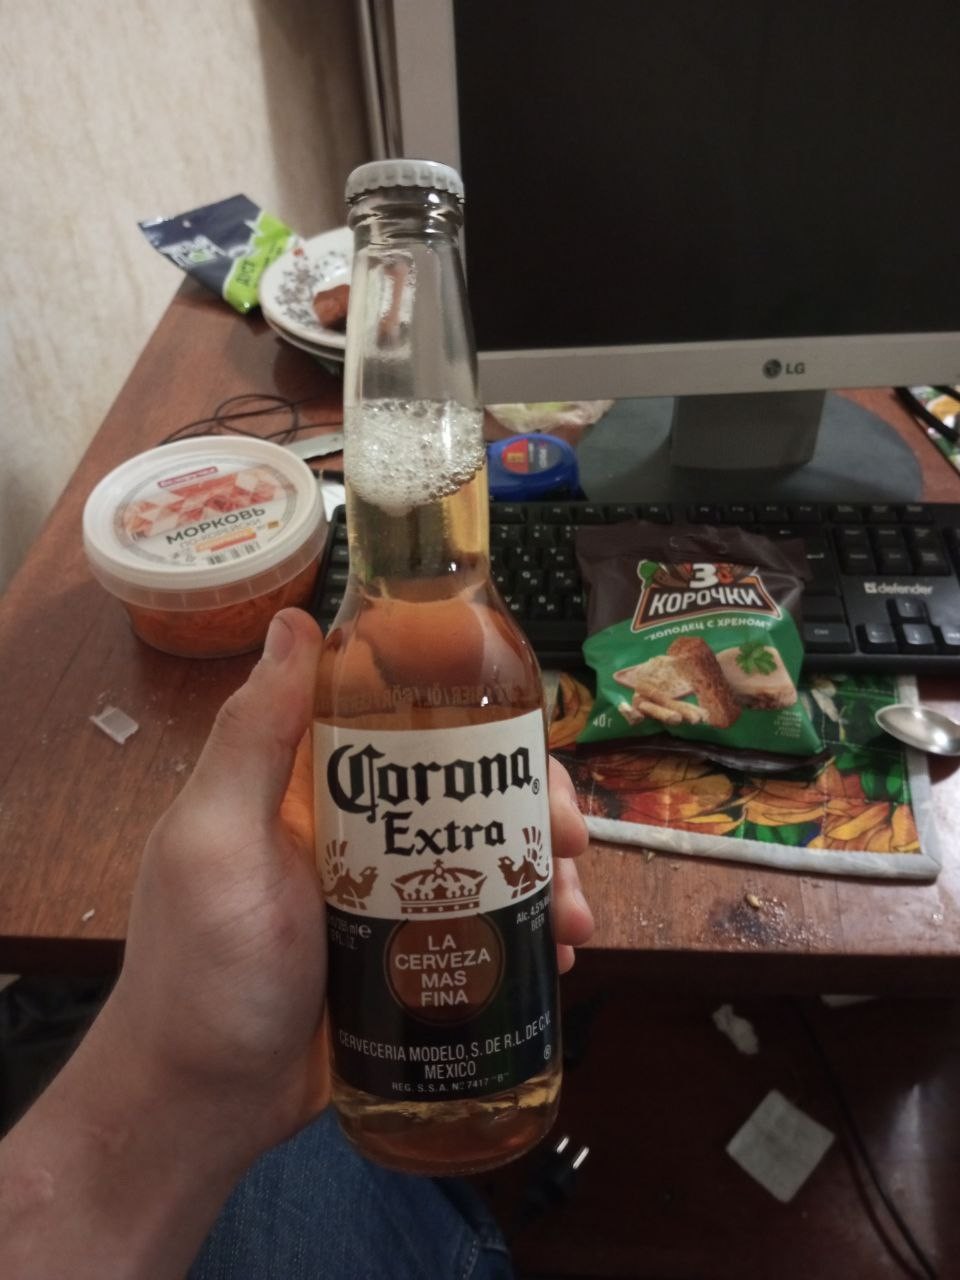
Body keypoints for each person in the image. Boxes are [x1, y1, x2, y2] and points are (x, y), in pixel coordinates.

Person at [0, 609, 594, 1278]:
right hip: (365, 1078)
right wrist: (179, 1076)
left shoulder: (489, 646)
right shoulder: (351, 654)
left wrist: (177, 1094)